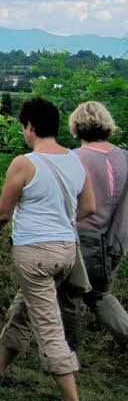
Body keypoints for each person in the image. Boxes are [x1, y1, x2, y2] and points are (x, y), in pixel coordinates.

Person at [0, 97, 95, 401]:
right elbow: (89, 207)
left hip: (35, 253)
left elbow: (1, 213)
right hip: (65, 250)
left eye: (23, 127)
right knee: (26, 306)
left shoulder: (24, 163)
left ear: (30, 127)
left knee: (48, 324)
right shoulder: (74, 160)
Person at [60, 101, 128, 347]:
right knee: (99, 294)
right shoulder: (124, 157)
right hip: (114, 239)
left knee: (70, 297)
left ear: (76, 127)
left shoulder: (73, 158)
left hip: (83, 236)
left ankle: (68, 355)